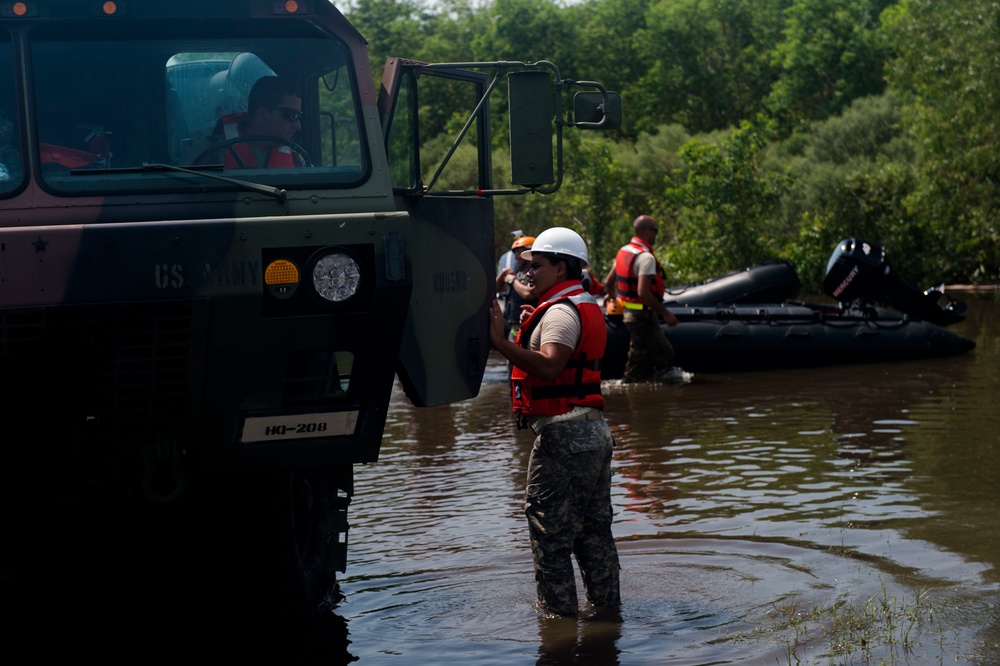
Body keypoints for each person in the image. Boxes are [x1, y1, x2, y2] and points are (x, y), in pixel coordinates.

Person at [488, 227, 620, 618]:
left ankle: (557, 628)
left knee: (550, 537)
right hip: (591, 430)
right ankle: (609, 617)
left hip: (565, 435)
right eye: (526, 266)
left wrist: (501, 344)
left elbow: (550, 367)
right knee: (593, 532)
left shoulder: (562, 311)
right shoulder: (575, 304)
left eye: (537, 265)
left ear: (562, 267)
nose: (527, 272)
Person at [609, 214, 679, 382]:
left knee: (656, 353)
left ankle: (651, 389)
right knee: (644, 358)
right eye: (655, 230)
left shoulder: (623, 251)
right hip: (642, 316)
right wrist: (666, 314)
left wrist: (613, 299)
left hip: (630, 313)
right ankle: (633, 391)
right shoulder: (645, 258)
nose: (656, 234)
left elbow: (608, 282)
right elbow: (643, 293)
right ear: (648, 232)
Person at [182, 76, 304, 168]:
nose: (298, 126)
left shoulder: (296, 160)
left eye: (299, 117)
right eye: (292, 115)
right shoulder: (209, 153)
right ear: (262, 113)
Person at [495, 234, 537, 340]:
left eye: (519, 252)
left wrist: (511, 280)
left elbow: (528, 294)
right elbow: (498, 289)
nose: (515, 256)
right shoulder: (519, 274)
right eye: (515, 252)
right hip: (513, 324)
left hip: (529, 325)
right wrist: (503, 274)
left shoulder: (536, 273)